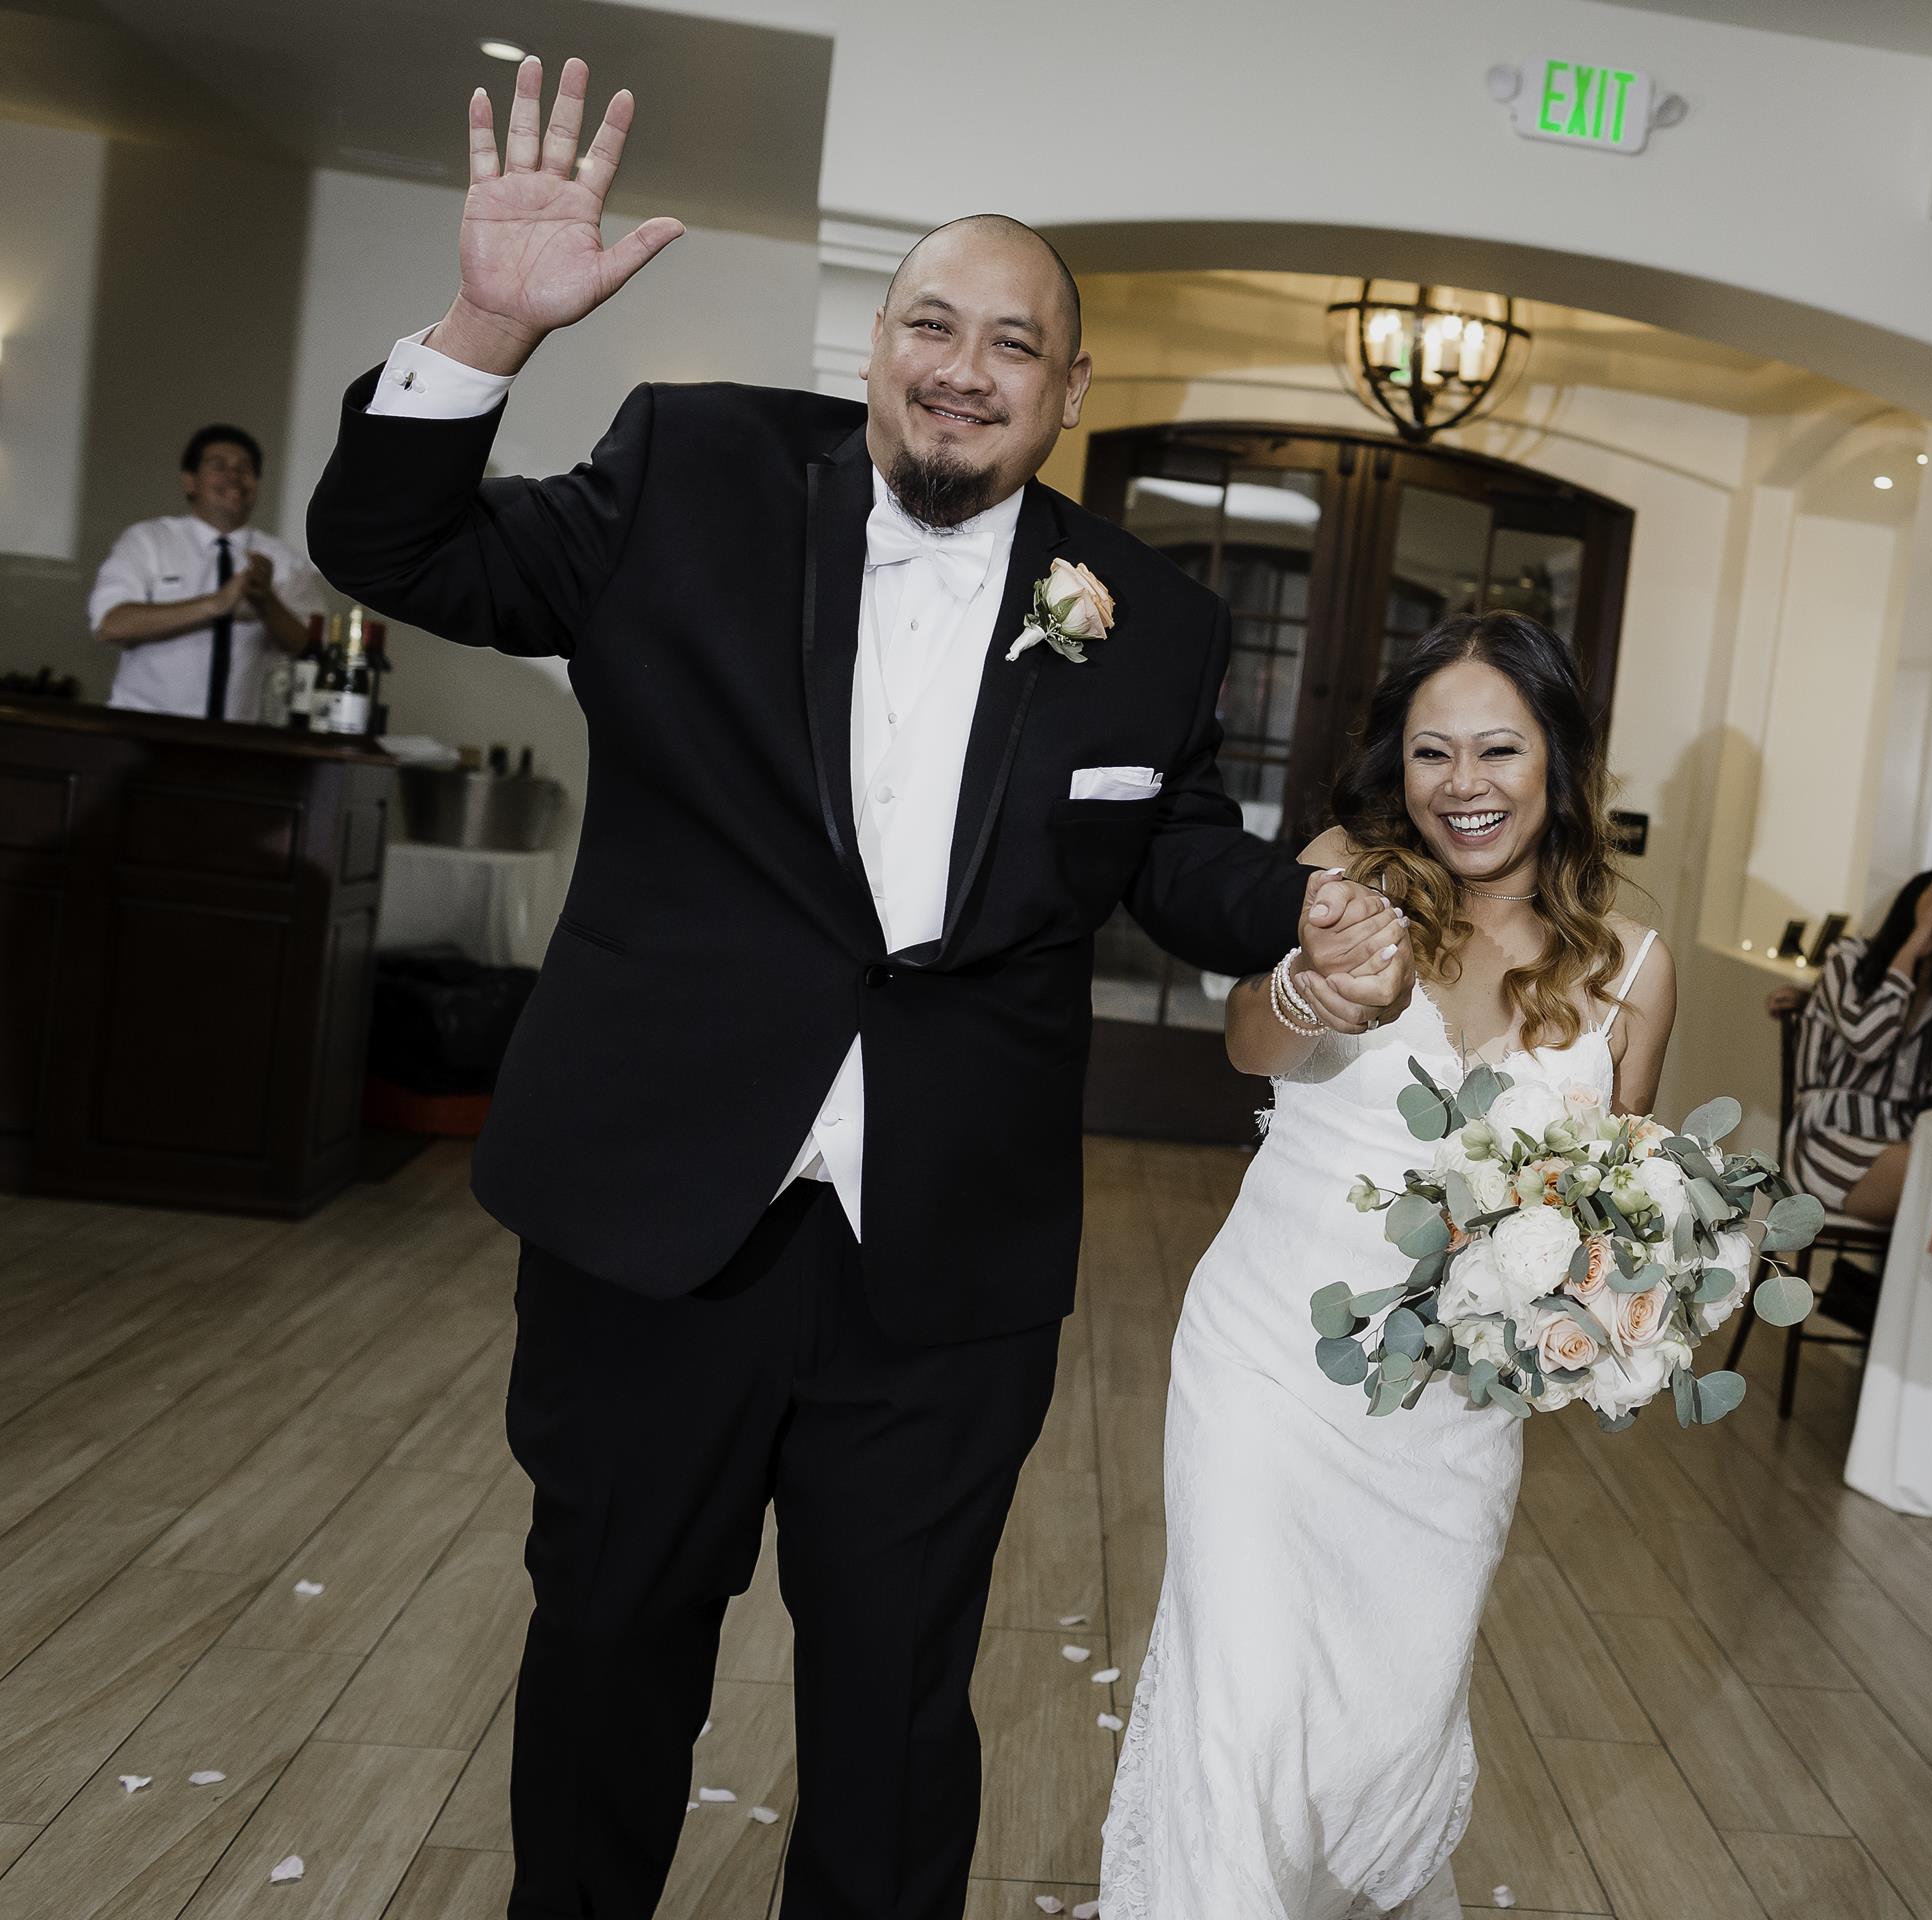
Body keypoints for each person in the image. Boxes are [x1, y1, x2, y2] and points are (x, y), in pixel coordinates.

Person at [304, 58, 1403, 1919]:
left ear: (1070, 389)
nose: (965, 369)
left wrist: (1303, 917)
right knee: (609, 1641)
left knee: (895, 1705)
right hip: (660, 1211)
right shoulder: (696, 470)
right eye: (932, 325)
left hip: (945, 1255)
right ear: (880, 342)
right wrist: (492, 324)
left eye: (1014, 344)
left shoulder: (1153, 615)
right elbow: (393, 547)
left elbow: (1171, 848)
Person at [1101, 611, 1676, 1917]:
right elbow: (1248, 1043)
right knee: (1244, 1701)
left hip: (1451, 1421)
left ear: (1559, 757)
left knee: (1382, 1728)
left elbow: (1614, 1209)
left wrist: (1623, 1299)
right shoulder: (1346, 875)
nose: (1463, 784)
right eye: (1431, 751)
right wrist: (1307, 991)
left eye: (1498, 749)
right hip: (1266, 1363)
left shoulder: (1634, 973)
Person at [1780, 865, 1932, 1221]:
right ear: (1913, 901)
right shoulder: (1848, 958)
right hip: (1828, 1137)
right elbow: (1867, 1041)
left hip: (1899, 1138)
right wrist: (1912, 947)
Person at [90, 423, 322, 719]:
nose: (234, 476)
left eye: (245, 468)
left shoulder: (283, 560)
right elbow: (110, 624)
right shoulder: (148, 541)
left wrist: (265, 601)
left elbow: (308, 646)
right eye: (219, 466)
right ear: (190, 482)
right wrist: (216, 604)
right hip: (142, 726)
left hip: (237, 735)